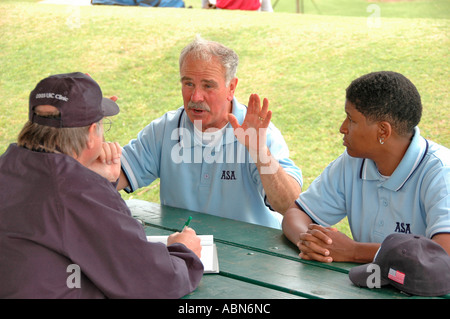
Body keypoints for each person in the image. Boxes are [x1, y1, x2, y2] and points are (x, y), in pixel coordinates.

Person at [0, 72, 203, 298]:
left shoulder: (9, 165)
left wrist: (94, 179)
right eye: (101, 124)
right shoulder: (76, 189)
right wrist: (184, 253)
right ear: (90, 134)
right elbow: (152, 280)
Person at [117, 36, 302, 229]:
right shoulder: (165, 129)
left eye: (208, 85)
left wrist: (259, 152)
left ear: (231, 88)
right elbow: (112, 176)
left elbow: (290, 206)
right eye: (188, 84)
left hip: (251, 253)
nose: (196, 96)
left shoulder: (258, 133)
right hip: (186, 252)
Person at [282, 71, 450, 263]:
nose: (342, 128)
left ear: (383, 131)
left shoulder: (442, 173)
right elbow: (297, 213)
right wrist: (310, 243)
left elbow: (443, 253)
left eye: (351, 120)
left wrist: (354, 251)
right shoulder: (354, 162)